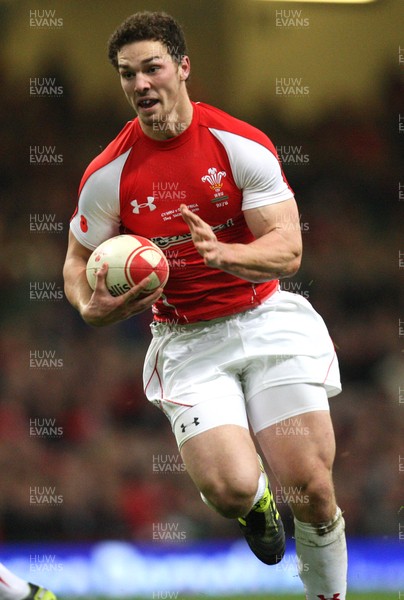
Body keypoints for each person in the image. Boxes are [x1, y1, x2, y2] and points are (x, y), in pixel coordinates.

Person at [63, 11, 347, 600]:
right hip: (187, 340)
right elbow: (75, 262)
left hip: (265, 319)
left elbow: (288, 248)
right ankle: (255, 504)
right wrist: (91, 309)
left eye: (152, 68)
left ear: (183, 68)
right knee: (230, 489)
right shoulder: (108, 174)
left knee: (312, 488)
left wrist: (226, 255)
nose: (140, 84)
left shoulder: (240, 145)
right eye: (126, 75)